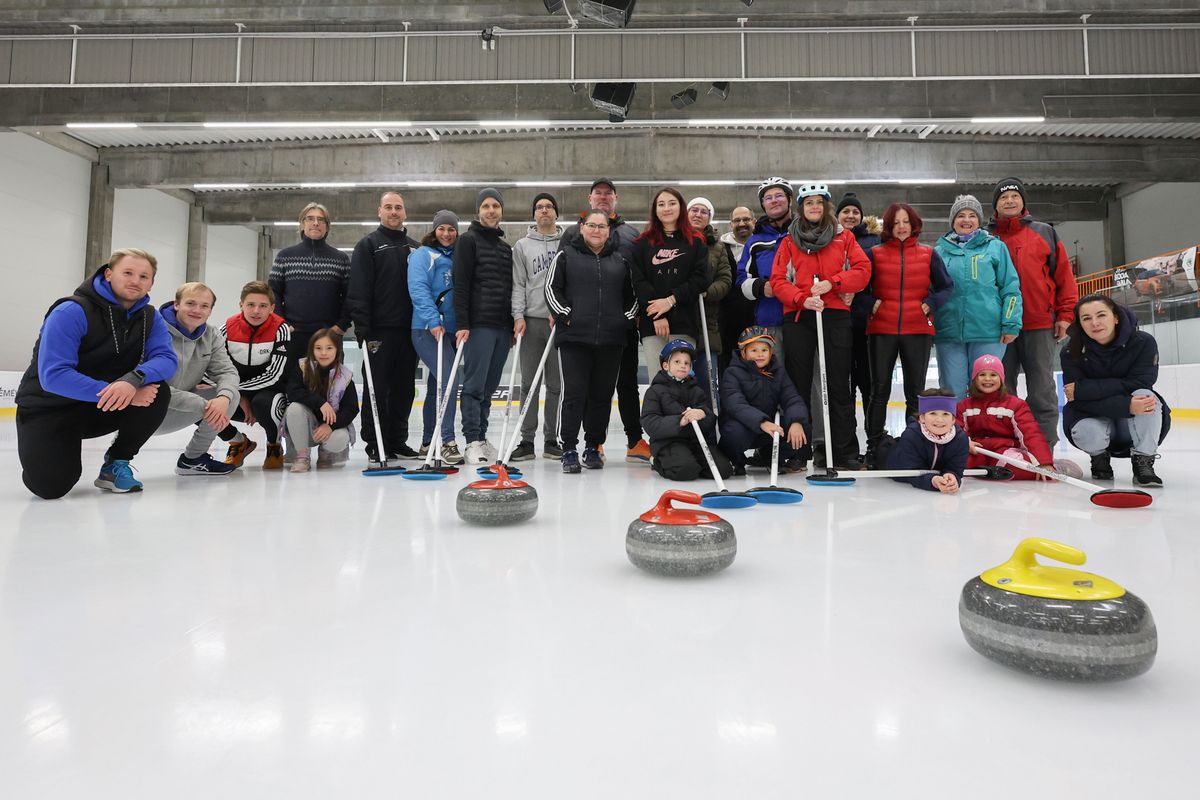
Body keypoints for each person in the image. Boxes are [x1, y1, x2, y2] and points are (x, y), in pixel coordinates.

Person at [15, 249, 176, 498]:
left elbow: (166, 359)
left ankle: (116, 463)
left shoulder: (149, 317)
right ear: (109, 274)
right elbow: (54, 376)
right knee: (49, 486)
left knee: (157, 391)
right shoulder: (71, 311)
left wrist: (133, 380)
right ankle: (47, 447)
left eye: (144, 276)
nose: (136, 280)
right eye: (128, 273)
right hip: (49, 408)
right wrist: (123, 393)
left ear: (151, 283)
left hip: (96, 408)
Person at [769, 182, 872, 470]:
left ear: (826, 206)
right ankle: (797, 452)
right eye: (808, 202)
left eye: (819, 202)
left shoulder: (844, 238)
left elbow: (863, 271)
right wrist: (801, 299)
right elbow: (778, 281)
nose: (814, 207)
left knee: (838, 383)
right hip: (800, 317)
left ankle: (843, 451)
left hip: (835, 314)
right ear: (800, 207)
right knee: (798, 383)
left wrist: (835, 282)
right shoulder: (789, 242)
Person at [861, 203, 954, 467]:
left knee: (916, 392)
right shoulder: (874, 254)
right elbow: (859, 289)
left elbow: (947, 287)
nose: (901, 227)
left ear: (914, 224)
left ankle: (916, 445)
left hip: (917, 330)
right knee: (879, 391)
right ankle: (874, 447)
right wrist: (871, 305)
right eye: (895, 223)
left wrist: (931, 304)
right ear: (888, 227)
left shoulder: (928, 254)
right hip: (881, 330)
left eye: (906, 222)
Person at [545, 209, 637, 474]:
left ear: (609, 230)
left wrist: (625, 319)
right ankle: (569, 448)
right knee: (574, 394)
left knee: (601, 395)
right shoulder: (566, 255)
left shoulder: (620, 259)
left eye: (602, 226)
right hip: (574, 338)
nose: (597, 230)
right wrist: (565, 315)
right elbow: (551, 289)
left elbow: (633, 295)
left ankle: (593, 446)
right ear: (582, 228)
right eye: (592, 225)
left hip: (611, 339)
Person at [989, 177, 1079, 447]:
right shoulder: (987, 237)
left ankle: (1043, 447)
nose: (1009, 201)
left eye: (1014, 196)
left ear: (1023, 201)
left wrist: (1065, 315)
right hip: (1000, 326)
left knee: (1041, 389)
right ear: (995, 205)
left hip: (1039, 322)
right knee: (1002, 390)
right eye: (1003, 198)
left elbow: (1064, 275)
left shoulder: (1044, 232)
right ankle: (1006, 446)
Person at [1061, 294, 1169, 487]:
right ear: (1080, 323)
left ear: (1116, 317)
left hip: (1129, 423)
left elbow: (1142, 382)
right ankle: (1099, 457)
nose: (1095, 323)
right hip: (1094, 416)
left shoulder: (1143, 342)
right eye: (1086, 318)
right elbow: (1076, 399)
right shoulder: (1071, 351)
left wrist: (1086, 389)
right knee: (1087, 430)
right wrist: (1126, 404)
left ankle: (1143, 463)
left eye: (1101, 315)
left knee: (1146, 397)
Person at [579, 178, 651, 464]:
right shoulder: (577, 232)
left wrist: (635, 312)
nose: (603, 197)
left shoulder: (631, 235)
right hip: (587, 323)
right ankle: (593, 441)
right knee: (592, 385)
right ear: (590, 198)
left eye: (608, 194)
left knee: (627, 382)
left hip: (623, 322)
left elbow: (639, 276)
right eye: (599, 193)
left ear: (616, 199)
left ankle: (635, 440)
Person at [348, 191, 421, 461]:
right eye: (388, 207)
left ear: (405, 213)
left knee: (404, 389)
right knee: (376, 388)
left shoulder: (415, 248)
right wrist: (363, 328)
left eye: (398, 208)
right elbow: (358, 290)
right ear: (379, 211)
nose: (393, 212)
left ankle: (397, 440)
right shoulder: (368, 245)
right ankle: (376, 442)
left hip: (409, 331)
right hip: (378, 331)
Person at [933, 195, 1022, 399]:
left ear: (979, 220)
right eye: (961, 215)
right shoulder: (938, 252)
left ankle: (986, 431)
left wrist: (1011, 323)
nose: (966, 220)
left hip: (988, 331)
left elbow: (1010, 288)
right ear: (952, 221)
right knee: (952, 390)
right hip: (949, 331)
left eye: (972, 215)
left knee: (985, 388)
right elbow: (931, 292)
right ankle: (955, 431)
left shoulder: (995, 247)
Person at [454, 188, 515, 466]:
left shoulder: (505, 248)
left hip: (502, 327)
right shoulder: (468, 241)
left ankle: (482, 435)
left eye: (496, 206)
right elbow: (462, 284)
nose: (491, 210)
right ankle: (471, 441)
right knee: (475, 385)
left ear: (502, 211)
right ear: (479, 211)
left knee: (490, 387)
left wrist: (513, 323)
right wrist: (463, 323)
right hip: (479, 325)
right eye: (486, 206)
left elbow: (510, 288)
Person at [153, 282, 241, 476]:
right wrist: (205, 405)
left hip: (181, 409)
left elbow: (227, 371)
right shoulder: (154, 329)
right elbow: (151, 385)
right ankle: (115, 459)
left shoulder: (211, 334)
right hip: (147, 409)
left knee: (230, 394)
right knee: (146, 391)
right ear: (177, 304)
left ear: (210, 311)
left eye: (204, 306)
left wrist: (223, 399)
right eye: (191, 303)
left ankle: (192, 459)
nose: (197, 310)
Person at [631, 187, 710, 372]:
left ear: (681, 208)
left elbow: (701, 279)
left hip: (684, 322)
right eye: (661, 204)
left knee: (683, 382)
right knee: (658, 382)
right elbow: (639, 282)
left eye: (672, 203)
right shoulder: (642, 244)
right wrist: (659, 315)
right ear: (655, 210)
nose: (667, 208)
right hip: (653, 325)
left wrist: (670, 300)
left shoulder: (696, 242)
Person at [510, 192, 564, 461]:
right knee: (529, 383)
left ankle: (552, 439)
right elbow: (518, 284)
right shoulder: (521, 246)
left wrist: (562, 311)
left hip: (559, 323)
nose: (544, 211)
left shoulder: (567, 243)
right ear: (534, 214)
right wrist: (518, 316)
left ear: (556, 213)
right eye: (539, 207)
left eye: (549, 207)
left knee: (556, 384)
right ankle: (527, 440)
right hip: (531, 322)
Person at [408, 210, 464, 465]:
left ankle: (428, 441)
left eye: (451, 229)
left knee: (437, 386)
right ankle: (448, 441)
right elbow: (418, 289)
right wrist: (432, 320)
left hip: (451, 331)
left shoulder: (457, 257)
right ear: (434, 230)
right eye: (442, 228)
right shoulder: (422, 255)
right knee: (450, 379)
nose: (447, 233)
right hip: (427, 329)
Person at [218, 281, 291, 470]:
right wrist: (237, 395)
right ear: (241, 305)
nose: (256, 311)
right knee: (202, 402)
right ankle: (237, 442)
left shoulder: (281, 329)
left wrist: (238, 392)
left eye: (263, 306)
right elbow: (213, 368)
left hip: (268, 394)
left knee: (262, 403)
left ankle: (274, 446)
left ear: (272, 308)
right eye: (250, 305)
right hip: (237, 394)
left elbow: (275, 375)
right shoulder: (226, 328)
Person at [718, 326, 809, 476]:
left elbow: (792, 398)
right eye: (754, 350)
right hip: (743, 426)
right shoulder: (732, 373)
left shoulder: (777, 372)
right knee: (734, 433)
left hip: (768, 429)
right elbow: (736, 405)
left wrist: (797, 421)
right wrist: (762, 422)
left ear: (771, 352)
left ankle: (769, 456)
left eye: (764, 350)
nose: (760, 355)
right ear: (743, 353)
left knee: (801, 428)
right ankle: (735, 459)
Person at [268, 202, 351, 364]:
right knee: (292, 386)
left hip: (329, 337)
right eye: (310, 218)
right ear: (302, 224)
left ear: (327, 227)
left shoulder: (340, 259)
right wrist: (283, 325)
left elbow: (350, 296)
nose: (315, 223)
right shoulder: (285, 256)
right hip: (293, 336)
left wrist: (341, 326)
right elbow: (273, 293)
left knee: (331, 387)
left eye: (321, 220)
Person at [640, 339, 732, 482]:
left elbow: (709, 421)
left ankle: (692, 461)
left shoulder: (696, 391)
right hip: (668, 442)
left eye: (686, 363)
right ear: (665, 365)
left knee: (724, 470)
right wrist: (680, 421)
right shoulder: (655, 391)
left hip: (694, 441)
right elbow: (650, 422)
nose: (682, 366)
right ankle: (658, 462)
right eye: (677, 362)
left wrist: (703, 414)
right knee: (686, 471)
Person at [957, 355, 1053, 480]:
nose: (987, 379)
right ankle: (989, 470)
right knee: (956, 463)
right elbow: (957, 430)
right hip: (977, 451)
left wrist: (1043, 461)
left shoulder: (1015, 404)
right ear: (975, 378)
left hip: (1005, 451)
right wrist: (966, 443)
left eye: (993, 375)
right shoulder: (964, 405)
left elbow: (1030, 433)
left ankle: (1053, 468)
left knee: (1014, 466)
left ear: (1001, 378)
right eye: (982, 374)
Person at [836, 192, 882, 449]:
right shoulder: (831, 239)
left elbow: (877, 281)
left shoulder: (874, 241)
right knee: (843, 387)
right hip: (838, 322)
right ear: (837, 216)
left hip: (866, 323)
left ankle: (874, 441)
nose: (851, 216)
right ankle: (846, 445)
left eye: (855, 212)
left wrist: (866, 303)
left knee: (868, 383)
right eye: (846, 212)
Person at [282, 329, 359, 473]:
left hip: (329, 429)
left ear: (337, 350)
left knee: (340, 438)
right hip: (305, 429)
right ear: (312, 350)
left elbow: (351, 409)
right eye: (318, 348)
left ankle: (325, 452)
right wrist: (320, 403)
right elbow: (293, 392)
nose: (324, 353)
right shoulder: (302, 368)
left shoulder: (345, 376)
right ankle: (302, 456)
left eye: (329, 348)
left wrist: (331, 426)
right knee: (294, 408)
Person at [735, 177, 796, 358]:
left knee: (807, 380)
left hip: (803, 319)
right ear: (763, 205)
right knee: (773, 378)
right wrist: (761, 287)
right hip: (769, 320)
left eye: (779, 195)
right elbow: (741, 278)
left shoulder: (804, 233)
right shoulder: (755, 241)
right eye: (768, 198)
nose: (774, 200)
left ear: (790, 200)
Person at [686, 196, 732, 408]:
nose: (698, 214)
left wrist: (704, 292)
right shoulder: (675, 241)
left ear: (709, 218)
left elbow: (725, 280)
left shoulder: (718, 247)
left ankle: (710, 435)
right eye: (694, 210)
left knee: (708, 386)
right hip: (681, 321)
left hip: (707, 324)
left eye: (704, 211)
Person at [886, 389, 968, 494]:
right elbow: (911, 473)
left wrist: (952, 477)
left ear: (953, 420)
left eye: (945, 414)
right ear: (922, 418)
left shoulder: (960, 439)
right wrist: (933, 481)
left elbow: (955, 469)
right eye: (933, 413)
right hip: (892, 462)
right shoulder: (911, 436)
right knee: (882, 451)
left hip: (927, 470)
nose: (939, 419)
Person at [717, 205, 757, 373]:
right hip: (727, 323)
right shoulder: (721, 248)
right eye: (737, 220)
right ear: (730, 224)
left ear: (754, 222)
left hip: (757, 319)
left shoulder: (762, 246)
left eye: (746, 219)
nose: (742, 223)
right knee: (729, 369)